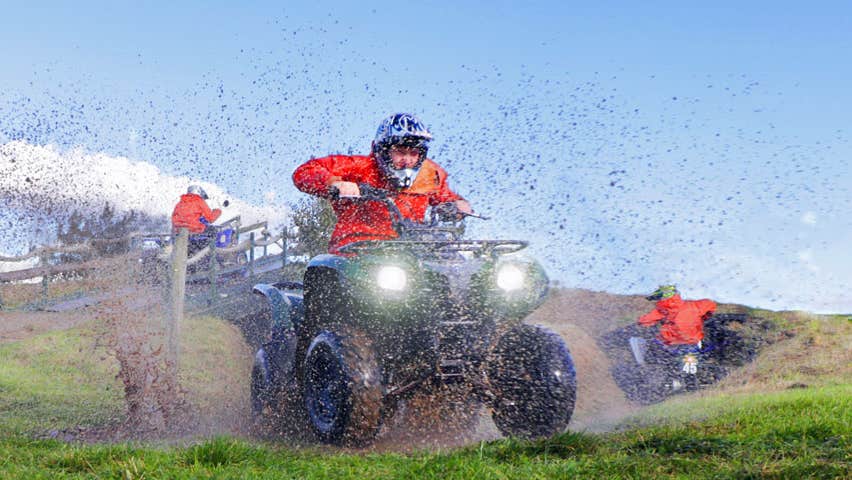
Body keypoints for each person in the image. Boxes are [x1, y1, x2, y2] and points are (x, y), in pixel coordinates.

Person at [292, 113, 472, 254]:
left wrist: (458, 205)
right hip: (357, 248)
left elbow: (444, 197)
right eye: (400, 152)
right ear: (383, 150)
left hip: (412, 247)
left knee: (457, 267)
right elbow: (304, 172)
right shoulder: (359, 167)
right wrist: (333, 184)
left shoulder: (430, 174)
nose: (407, 160)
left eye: (414, 153)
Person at [636, 285, 717, 364]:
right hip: (692, 342)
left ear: (661, 298)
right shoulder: (694, 305)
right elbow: (711, 305)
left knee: (655, 347)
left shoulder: (662, 311)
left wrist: (642, 323)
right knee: (699, 356)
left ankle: (650, 359)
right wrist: (705, 317)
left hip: (672, 344)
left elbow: (644, 321)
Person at [171, 185, 222, 256]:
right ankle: (212, 255)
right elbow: (210, 218)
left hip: (178, 231)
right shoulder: (199, 201)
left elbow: (174, 218)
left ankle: (196, 252)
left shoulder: (179, 203)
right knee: (213, 230)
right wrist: (218, 211)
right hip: (193, 229)